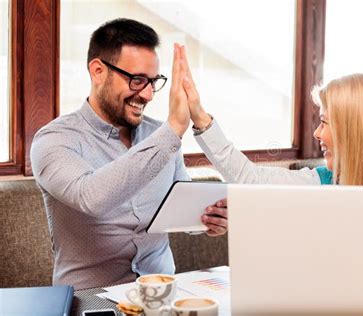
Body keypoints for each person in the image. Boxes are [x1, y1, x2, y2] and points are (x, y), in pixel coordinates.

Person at [175, 56, 363, 316]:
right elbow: (251, 178)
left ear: (356, 131)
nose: (317, 132)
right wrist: (200, 117)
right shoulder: (333, 181)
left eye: (325, 122)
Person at [30, 18, 227, 290]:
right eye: (136, 80)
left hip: (162, 292)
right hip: (90, 297)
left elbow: (179, 206)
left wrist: (207, 220)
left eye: (153, 81)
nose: (147, 94)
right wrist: (172, 131)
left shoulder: (161, 136)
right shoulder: (54, 141)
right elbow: (92, 198)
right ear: (98, 71)